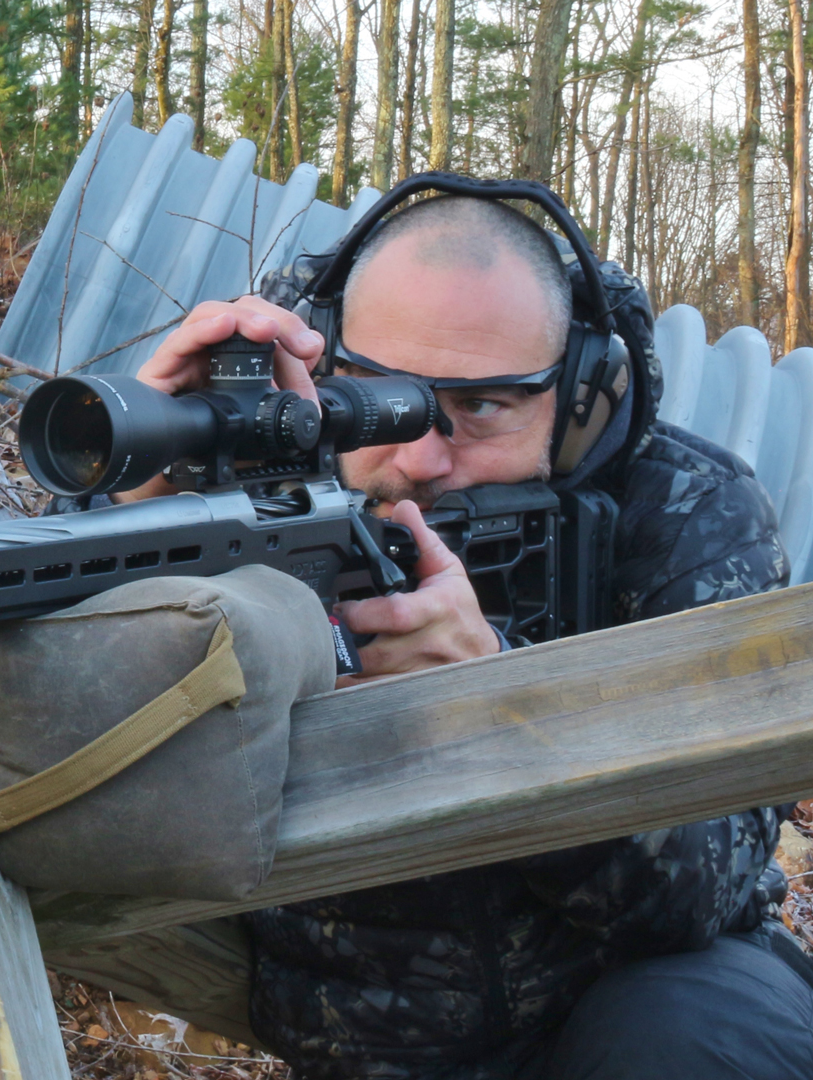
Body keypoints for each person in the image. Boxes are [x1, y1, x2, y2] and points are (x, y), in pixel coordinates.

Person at [53, 192, 813, 1078]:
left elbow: (697, 889)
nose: (418, 456)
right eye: (376, 395)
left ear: (577, 400)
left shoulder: (686, 511)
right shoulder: (254, 481)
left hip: (647, 1006)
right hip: (368, 1041)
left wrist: (492, 697)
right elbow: (28, 688)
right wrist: (132, 498)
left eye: (482, 407)